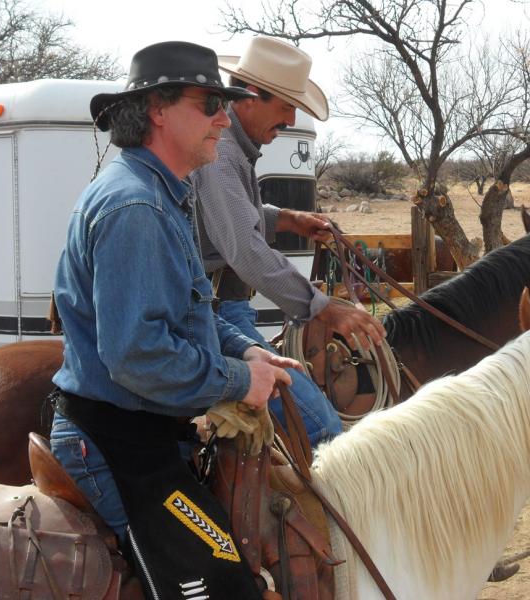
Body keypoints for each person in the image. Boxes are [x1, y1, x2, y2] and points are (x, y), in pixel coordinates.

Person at [49, 41, 300, 599]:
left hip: (143, 434)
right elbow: (137, 354)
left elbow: (190, 313)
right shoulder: (137, 207)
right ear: (158, 109)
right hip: (118, 445)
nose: (222, 119)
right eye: (210, 103)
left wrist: (243, 349)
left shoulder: (163, 194)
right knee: (223, 587)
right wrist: (241, 381)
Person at [193, 36, 386, 446]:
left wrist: (287, 219)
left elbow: (226, 219)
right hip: (213, 312)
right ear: (250, 96)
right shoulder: (224, 155)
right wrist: (322, 308)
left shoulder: (232, 149)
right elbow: (244, 248)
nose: (291, 118)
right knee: (321, 428)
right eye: (285, 106)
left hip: (225, 307)